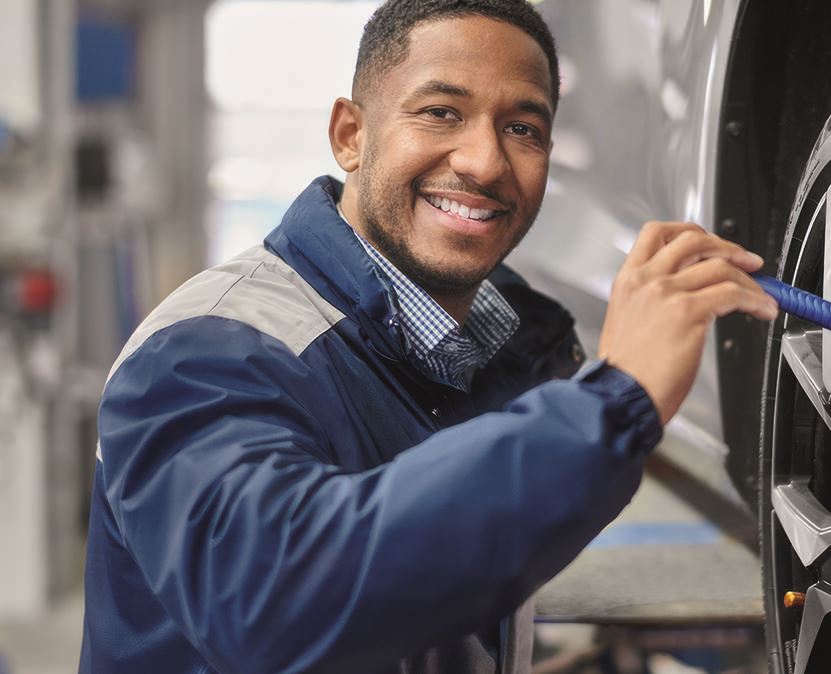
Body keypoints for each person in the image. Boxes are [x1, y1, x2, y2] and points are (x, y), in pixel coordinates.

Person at [79, 1, 777, 672]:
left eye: (523, 128)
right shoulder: (203, 352)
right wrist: (612, 403)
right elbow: (276, 603)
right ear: (350, 135)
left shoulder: (491, 355)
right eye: (442, 112)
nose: (484, 162)